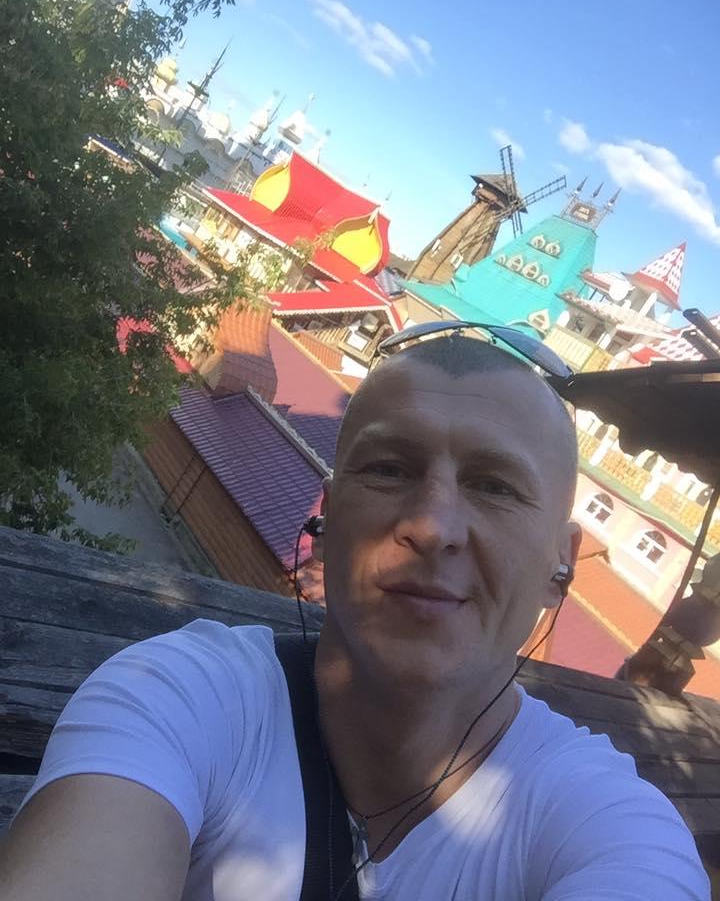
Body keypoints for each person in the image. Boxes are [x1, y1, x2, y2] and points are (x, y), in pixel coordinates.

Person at [0, 332, 710, 901]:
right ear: (327, 519)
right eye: (389, 469)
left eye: (495, 486)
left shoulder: (607, 823)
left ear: (562, 564)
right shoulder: (183, 697)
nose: (432, 525)